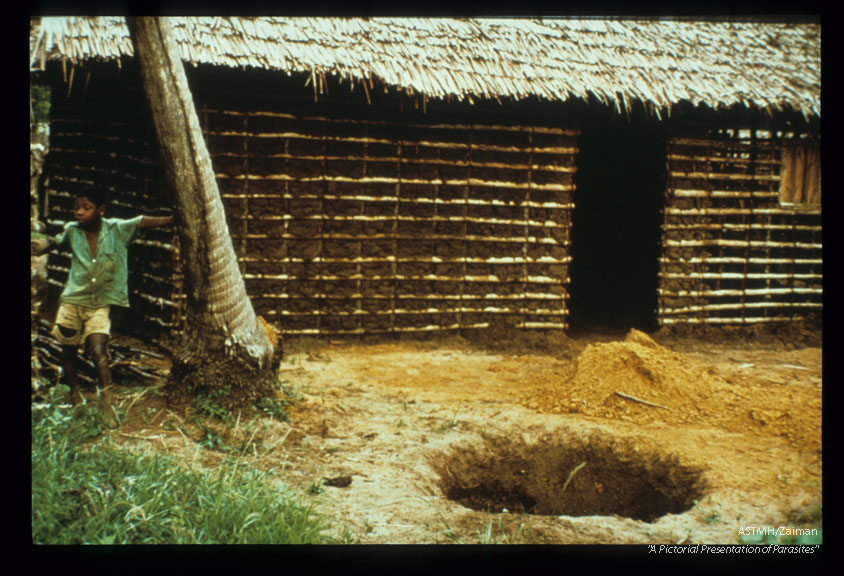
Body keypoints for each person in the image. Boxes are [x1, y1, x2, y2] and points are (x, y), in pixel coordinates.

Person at [31, 187, 174, 425]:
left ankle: (107, 406)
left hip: (99, 305)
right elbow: (55, 243)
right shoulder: (71, 231)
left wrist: (173, 219)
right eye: (76, 207)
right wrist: (42, 246)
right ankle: (75, 396)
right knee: (68, 351)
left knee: (99, 351)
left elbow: (142, 222)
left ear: (101, 211)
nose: (79, 212)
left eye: (86, 208)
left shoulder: (117, 229)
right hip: (72, 301)